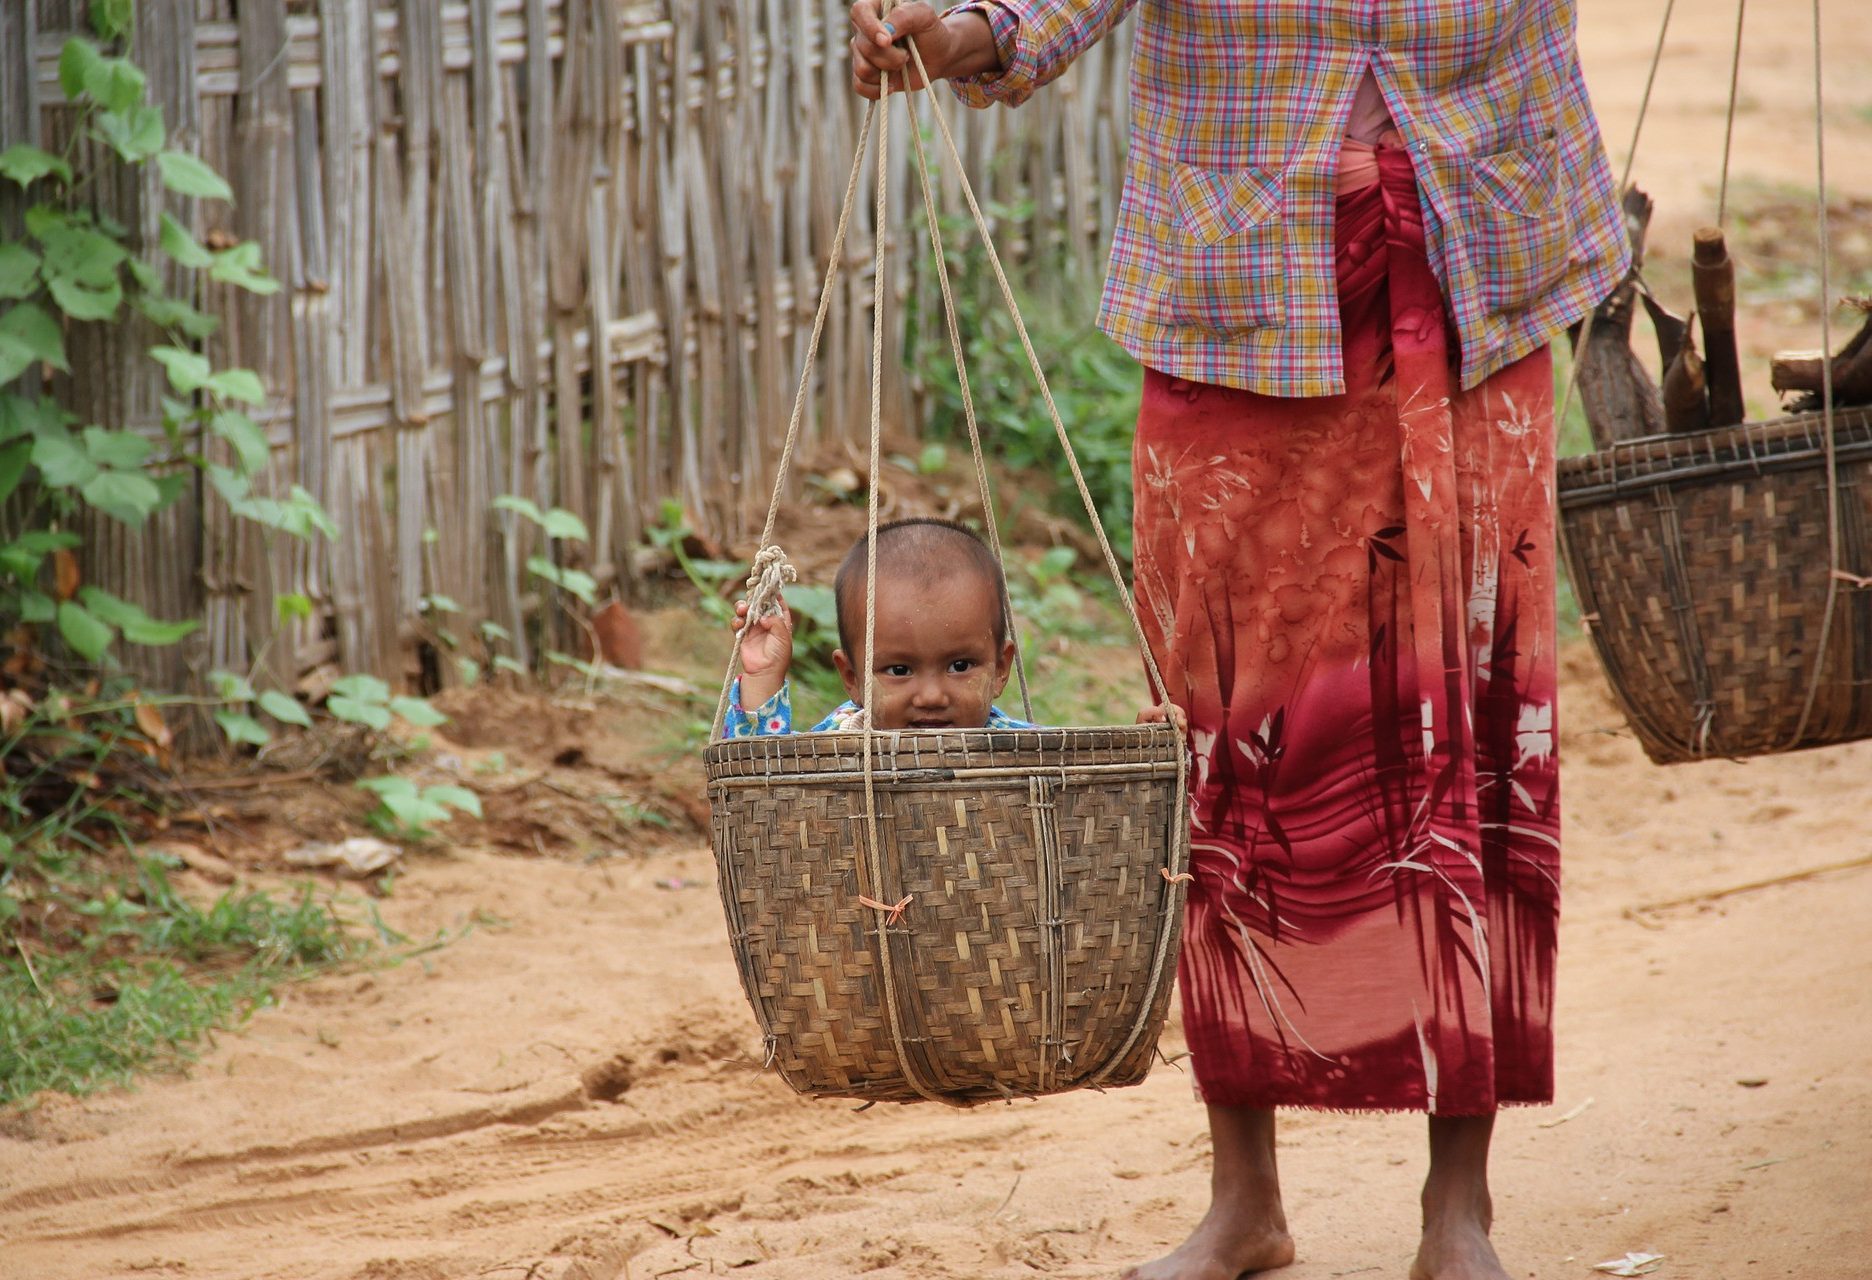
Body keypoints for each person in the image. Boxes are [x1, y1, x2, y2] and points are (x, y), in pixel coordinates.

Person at [849, 4, 1629, 1279]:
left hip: (1472, 256)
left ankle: (1458, 1208)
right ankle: (1244, 1199)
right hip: (1240, 287)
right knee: (1230, 736)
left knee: (1468, 728)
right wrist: (970, 31)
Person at [727, 517, 1181, 734]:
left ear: (1001, 669)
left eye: (961, 665)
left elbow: (1089, 794)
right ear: (852, 679)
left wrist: (1140, 742)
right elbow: (762, 777)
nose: (931, 696)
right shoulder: (842, 746)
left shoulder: (1022, 754)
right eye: (899, 671)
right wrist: (764, 676)